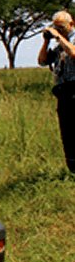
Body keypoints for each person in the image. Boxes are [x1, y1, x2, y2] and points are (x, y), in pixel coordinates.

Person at [38, 10, 75, 173]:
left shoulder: (70, 41)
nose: (58, 30)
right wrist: (46, 42)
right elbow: (42, 61)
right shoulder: (59, 45)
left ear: (71, 24)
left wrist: (59, 37)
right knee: (67, 133)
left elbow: (73, 53)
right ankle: (72, 168)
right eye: (56, 28)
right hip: (63, 92)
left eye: (61, 27)